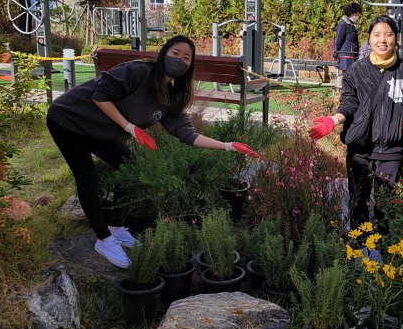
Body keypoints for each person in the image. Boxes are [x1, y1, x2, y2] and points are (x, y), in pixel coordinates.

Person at [47, 35, 259, 268]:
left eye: (186, 58)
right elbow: (101, 95)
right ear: (163, 53)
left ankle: (116, 228)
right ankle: (104, 240)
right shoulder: (138, 71)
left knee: (130, 166)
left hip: (98, 131)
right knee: (88, 178)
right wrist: (130, 128)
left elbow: (187, 135)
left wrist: (228, 145)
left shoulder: (171, 97)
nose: (179, 59)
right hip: (68, 119)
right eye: (175, 53)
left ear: (189, 66)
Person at [309, 15, 403, 227]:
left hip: (391, 150)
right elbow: (349, 103)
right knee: (357, 202)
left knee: (386, 206)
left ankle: (384, 251)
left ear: (396, 38)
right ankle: (357, 250)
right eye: (377, 35)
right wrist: (334, 120)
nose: (383, 40)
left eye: (388, 34)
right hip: (359, 150)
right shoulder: (357, 70)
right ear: (369, 39)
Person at [333, 2, 362, 85]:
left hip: (353, 55)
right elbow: (338, 39)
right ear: (352, 13)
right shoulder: (343, 25)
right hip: (346, 55)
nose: (358, 16)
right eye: (357, 14)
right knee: (347, 77)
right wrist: (336, 51)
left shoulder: (352, 25)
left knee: (353, 77)